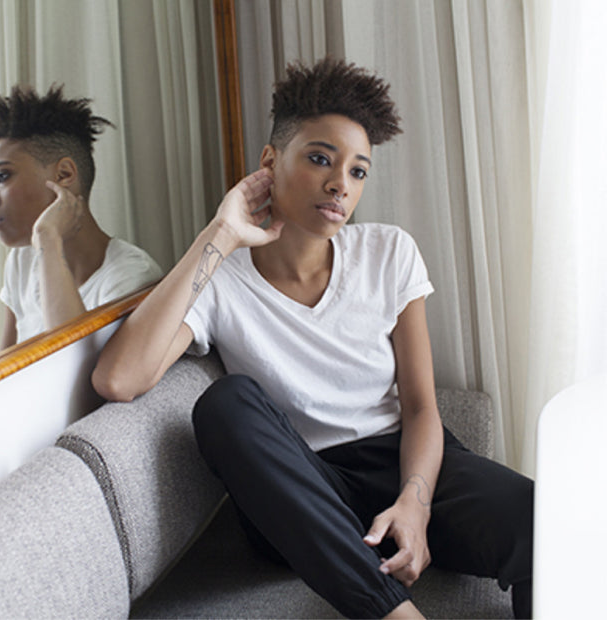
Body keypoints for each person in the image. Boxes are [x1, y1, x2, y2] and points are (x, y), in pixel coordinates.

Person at [92, 58, 533, 619]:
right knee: (225, 403)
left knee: (547, 524)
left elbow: (422, 406)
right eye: (321, 159)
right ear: (270, 162)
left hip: (399, 463)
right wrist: (221, 233)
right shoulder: (221, 277)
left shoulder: (388, 253)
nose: (339, 185)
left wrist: (414, 504)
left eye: (358, 171)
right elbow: (118, 378)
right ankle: (393, 613)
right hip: (298, 491)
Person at [0, 85, 163, 349]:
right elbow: (1, 373)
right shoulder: (21, 261)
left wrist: (48, 239)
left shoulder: (130, 277)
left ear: (64, 175)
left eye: (2, 177)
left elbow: (74, 367)